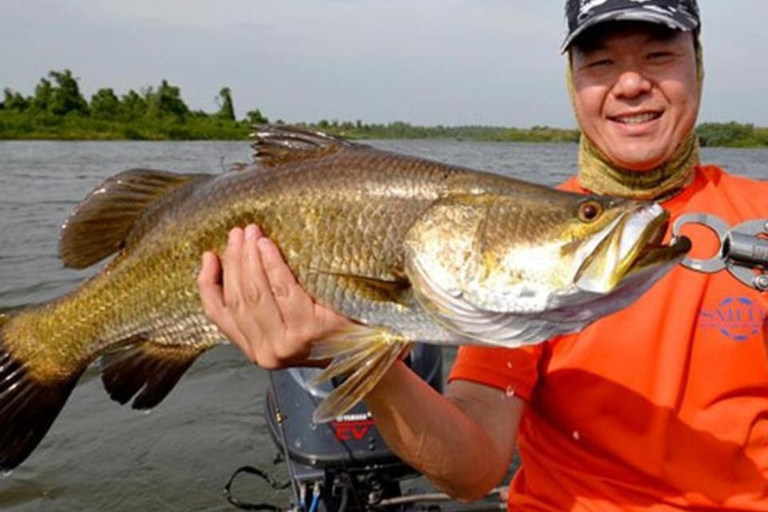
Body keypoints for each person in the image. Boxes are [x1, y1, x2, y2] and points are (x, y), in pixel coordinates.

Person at [197, 0, 768, 509]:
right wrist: (353, 360)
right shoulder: (508, 260)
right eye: (599, 64)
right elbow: (474, 473)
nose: (630, 83)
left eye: (658, 54)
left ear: (698, 62)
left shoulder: (759, 218)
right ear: (573, 84)